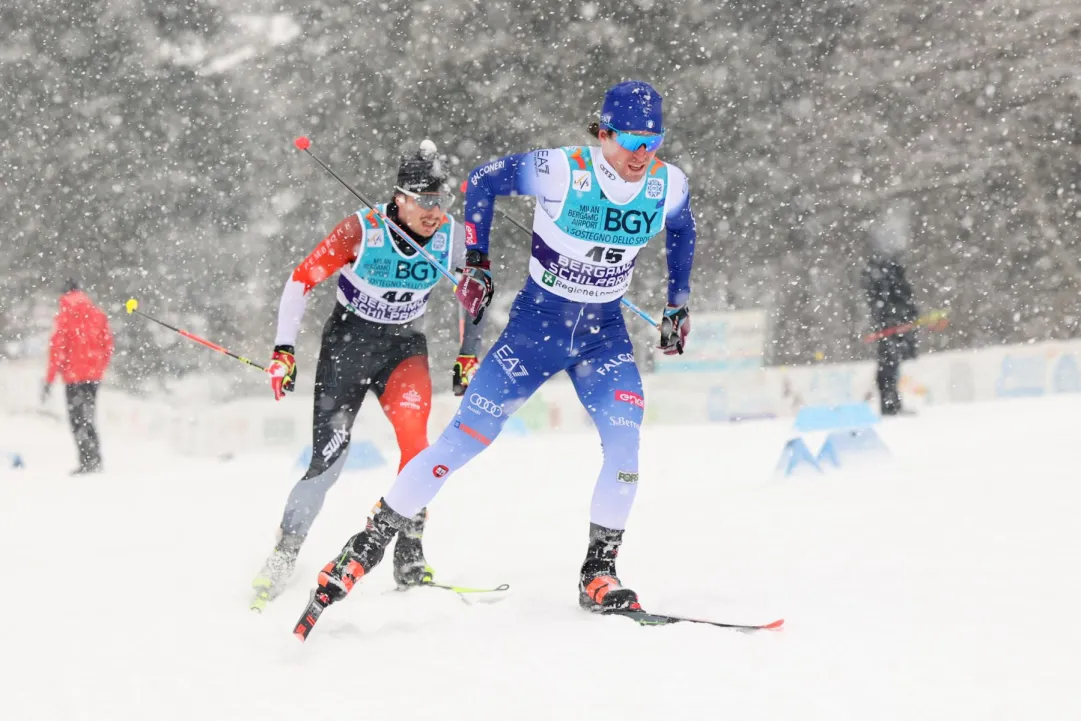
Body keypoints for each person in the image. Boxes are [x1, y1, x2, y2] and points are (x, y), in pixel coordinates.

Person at [298, 80, 697, 633]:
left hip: (603, 337)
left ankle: (598, 572)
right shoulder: (562, 169)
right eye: (631, 139)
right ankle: (364, 546)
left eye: (653, 141)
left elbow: (682, 227)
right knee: (459, 442)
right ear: (603, 133)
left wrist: (678, 303)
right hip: (535, 335)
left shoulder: (667, 183)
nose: (641, 154)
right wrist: (479, 261)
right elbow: (483, 180)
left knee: (626, 446)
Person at [251, 140, 486, 607]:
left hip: (403, 348)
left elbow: (475, 292)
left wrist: (467, 352)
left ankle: (410, 552)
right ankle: (284, 553)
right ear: (399, 197)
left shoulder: (452, 236)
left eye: (440, 200)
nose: (433, 211)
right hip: (347, 346)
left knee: (418, 448)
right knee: (329, 461)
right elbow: (301, 279)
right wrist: (284, 349)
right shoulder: (362, 230)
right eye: (423, 200)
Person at [43, 279, 114, 475]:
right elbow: (108, 346)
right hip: (93, 376)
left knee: (77, 419)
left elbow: (57, 350)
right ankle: (95, 458)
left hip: (74, 377)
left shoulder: (64, 316)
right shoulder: (97, 314)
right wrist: (98, 367)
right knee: (89, 416)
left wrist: (49, 379)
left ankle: (87, 460)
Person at [862, 250, 919, 415]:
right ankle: (890, 406)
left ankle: (891, 405)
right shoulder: (887, 281)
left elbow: (901, 302)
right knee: (888, 370)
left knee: (888, 370)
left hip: (891, 329)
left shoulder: (885, 281)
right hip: (890, 330)